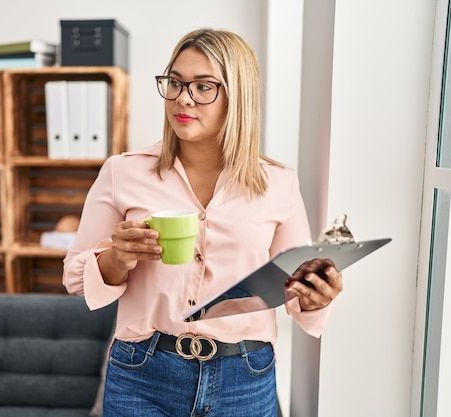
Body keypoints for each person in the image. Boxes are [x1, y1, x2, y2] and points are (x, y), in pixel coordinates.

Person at [63, 28, 343, 417]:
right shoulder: (122, 172)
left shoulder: (278, 183)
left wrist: (317, 296)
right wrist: (116, 259)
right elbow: (75, 277)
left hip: (244, 378)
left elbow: (294, 288)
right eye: (175, 82)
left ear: (237, 95)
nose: (182, 98)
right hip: (142, 373)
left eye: (203, 86)